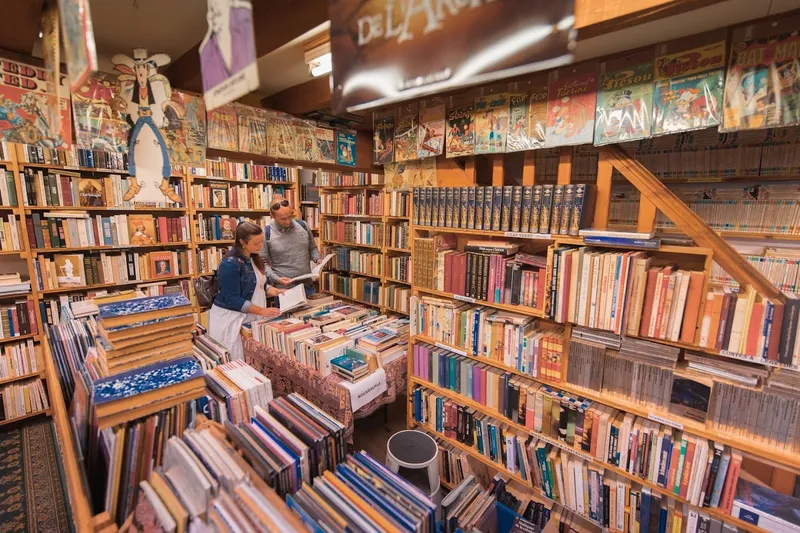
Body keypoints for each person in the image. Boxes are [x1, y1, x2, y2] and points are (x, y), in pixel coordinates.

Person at [209, 221, 283, 360]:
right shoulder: (230, 264)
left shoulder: (253, 257)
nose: (260, 246)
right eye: (256, 243)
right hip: (231, 319)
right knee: (235, 359)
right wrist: (262, 311)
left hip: (250, 316)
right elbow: (232, 298)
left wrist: (273, 290)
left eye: (262, 242)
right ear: (242, 242)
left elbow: (257, 284)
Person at [260, 197, 320, 296]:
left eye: (290, 216)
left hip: (308, 286)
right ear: (273, 216)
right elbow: (263, 264)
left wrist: (318, 259)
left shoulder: (303, 226)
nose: (288, 221)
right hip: (284, 290)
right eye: (283, 219)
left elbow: (312, 248)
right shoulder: (266, 233)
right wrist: (276, 278)